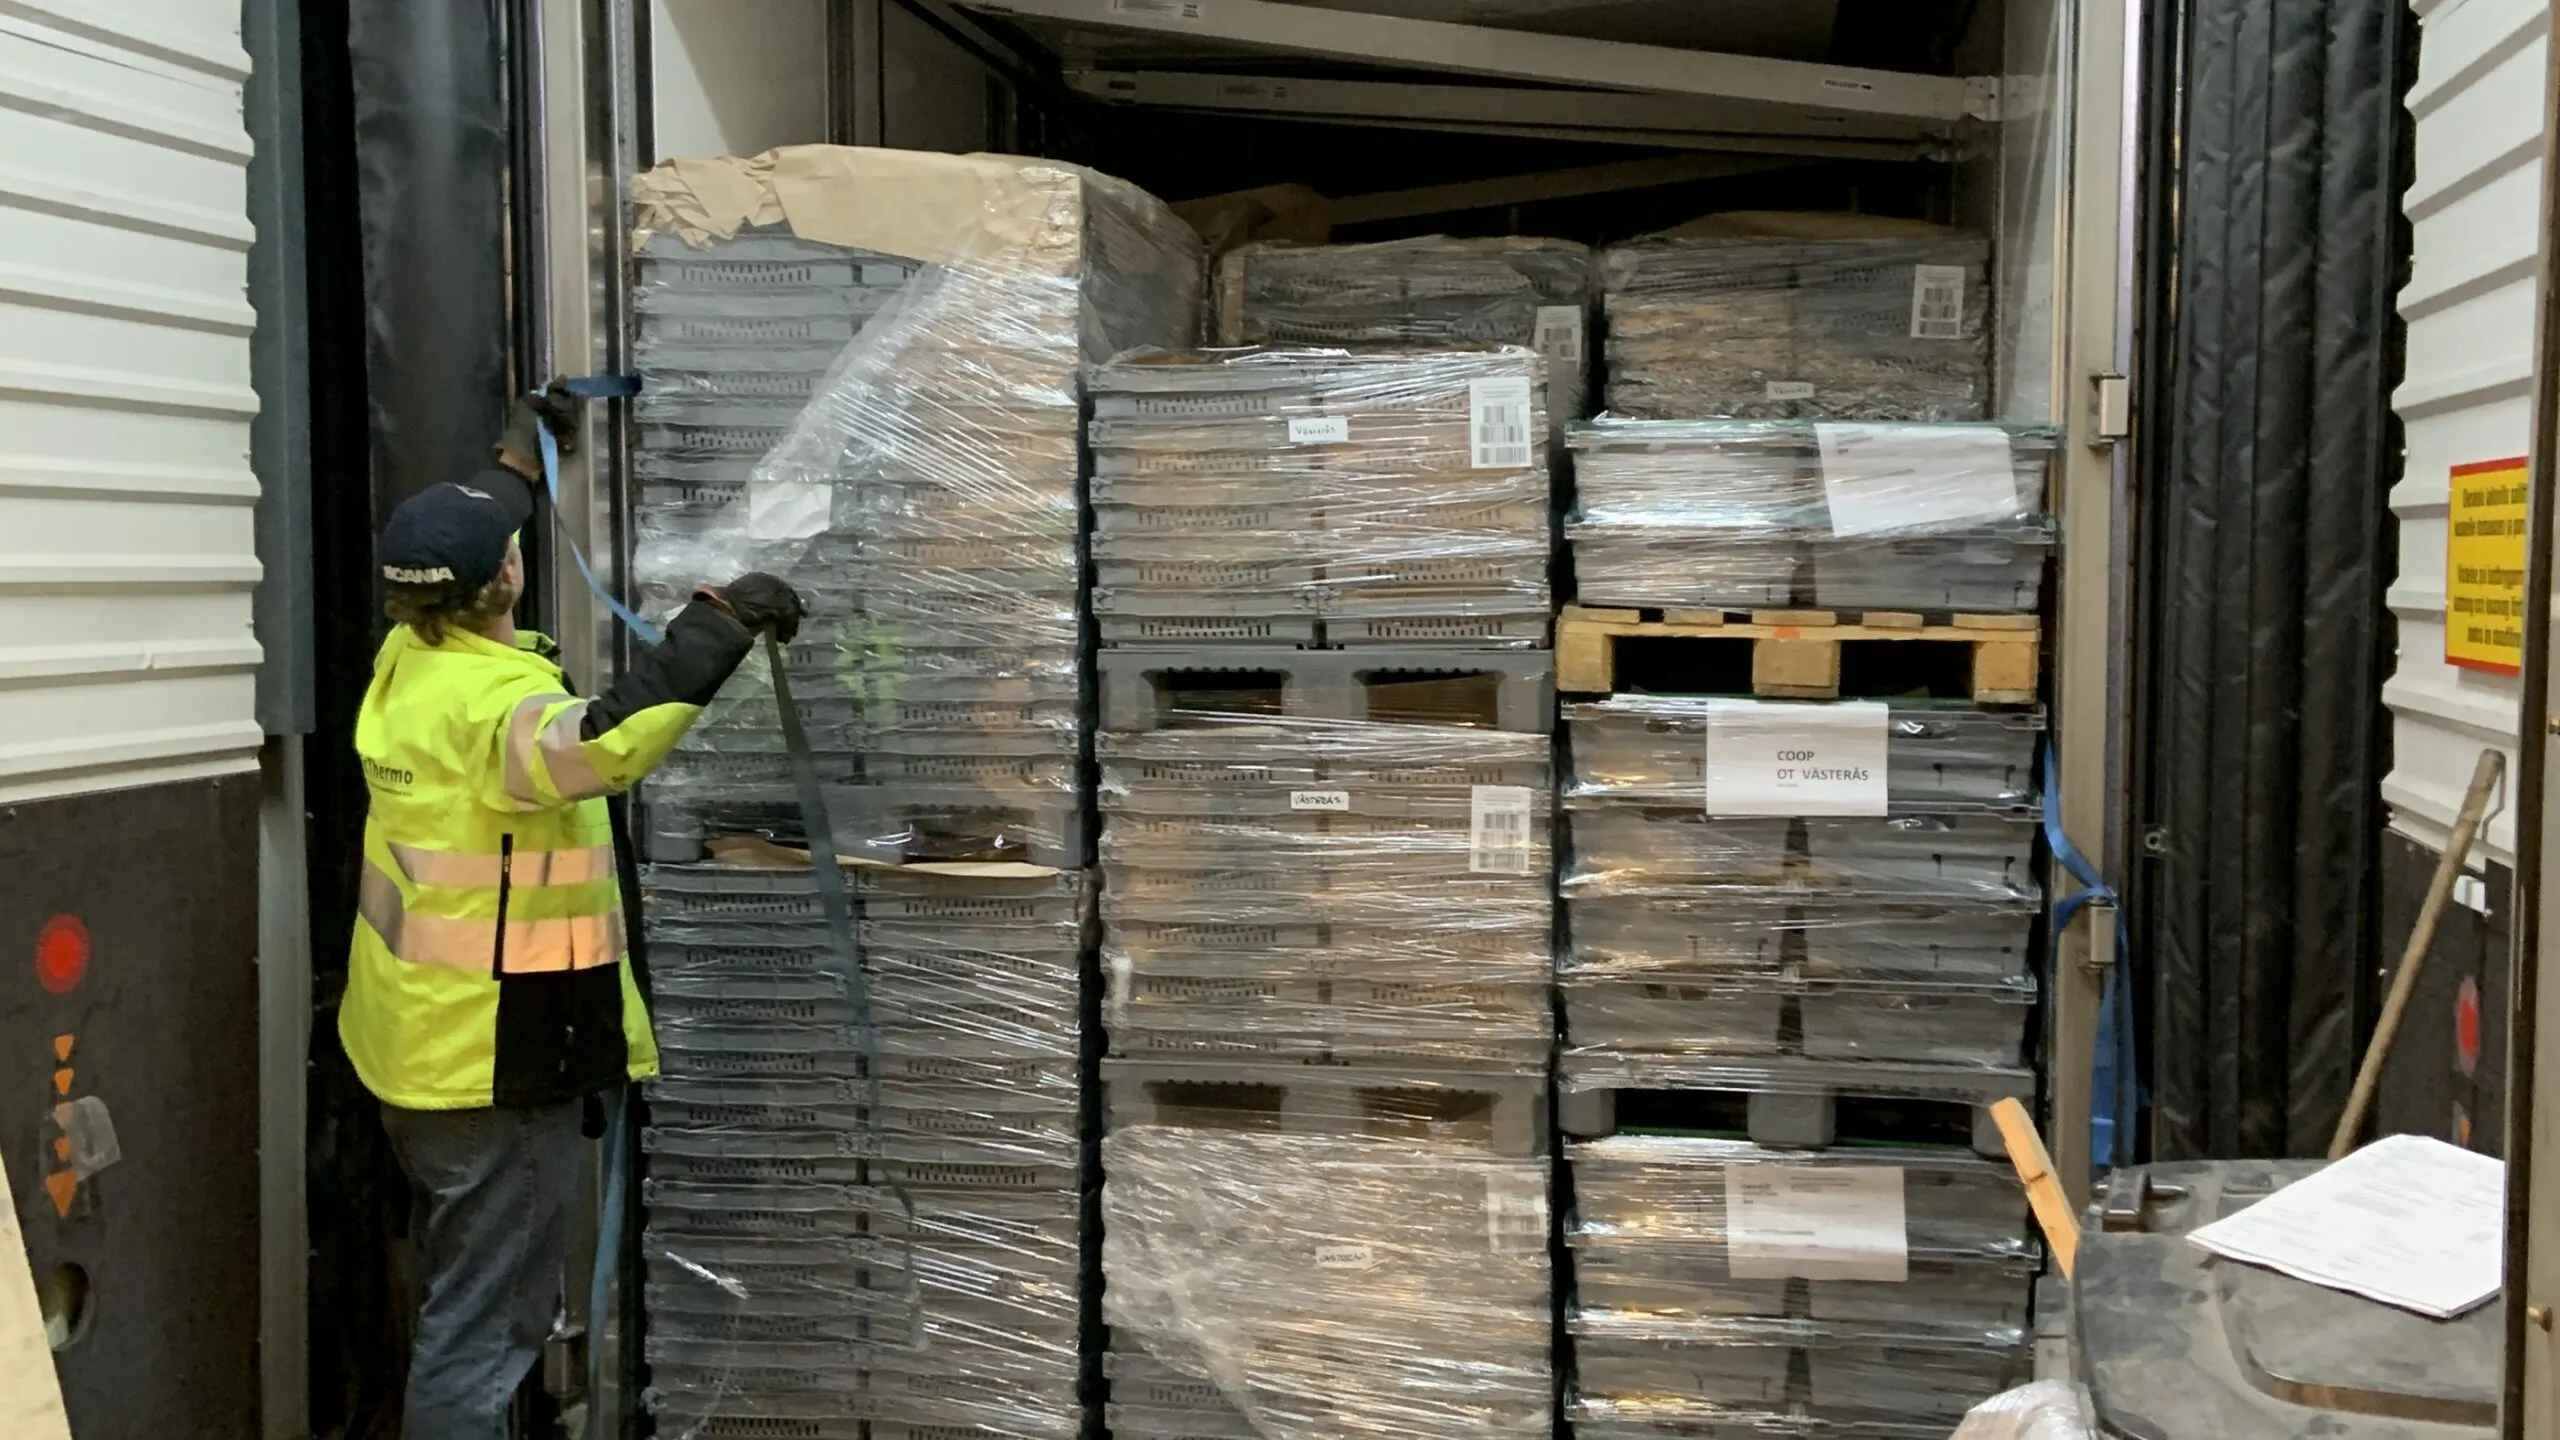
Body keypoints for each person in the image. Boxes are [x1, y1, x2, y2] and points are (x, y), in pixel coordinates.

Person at [340, 385, 803, 1437]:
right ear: (507, 575)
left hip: (415, 1053)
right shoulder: (499, 710)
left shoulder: (405, 663)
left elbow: (462, 545)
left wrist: (519, 452)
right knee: (483, 1338)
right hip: (495, 1069)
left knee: (467, 1305)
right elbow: (607, 739)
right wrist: (720, 625)